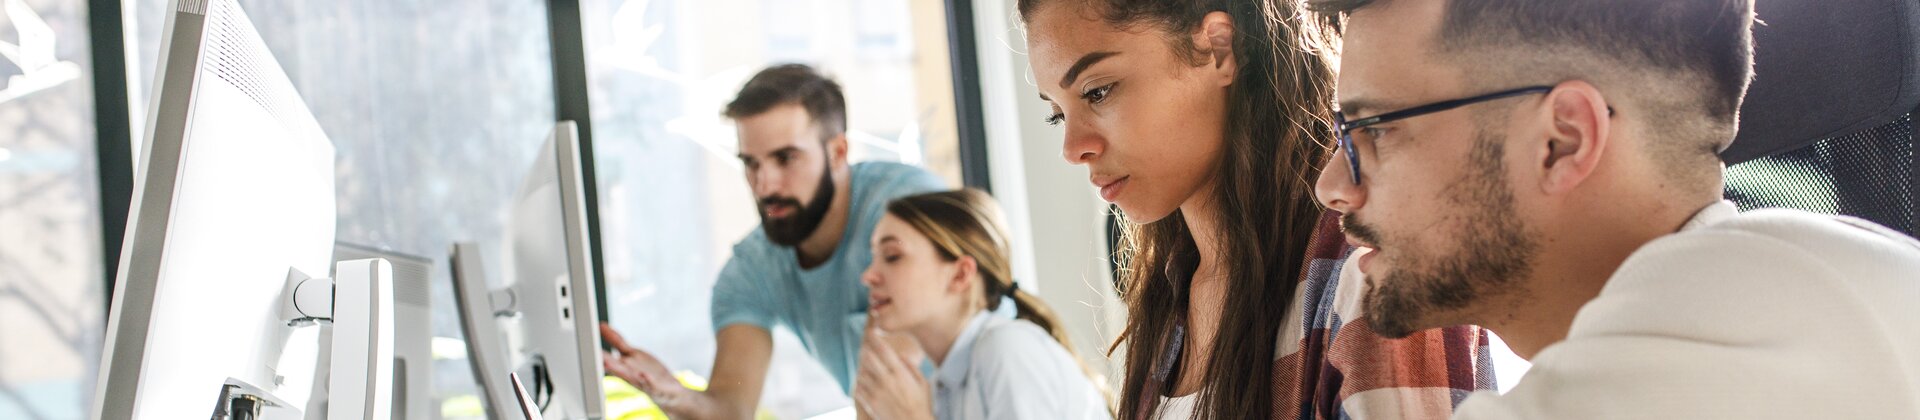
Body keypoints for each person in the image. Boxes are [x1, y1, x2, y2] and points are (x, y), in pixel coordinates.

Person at [1308, 0, 1920, 417]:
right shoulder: (1808, 284)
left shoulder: (1724, 321)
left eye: (1373, 130)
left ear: (1562, 141)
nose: (1331, 185)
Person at [1019, 0, 1492, 418]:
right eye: (1057, 113)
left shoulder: (1366, 270)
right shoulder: (1172, 289)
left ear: (1218, 48)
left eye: (1098, 91)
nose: (1072, 147)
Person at [600, 63, 948, 419]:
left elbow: (886, 391)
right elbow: (731, 410)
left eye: (786, 159)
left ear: (838, 153)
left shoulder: (910, 210)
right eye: (751, 164)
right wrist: (677, 396)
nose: (765, 185)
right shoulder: (752, 270)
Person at [852, 189, 1110, 420]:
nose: (868, 276)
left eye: (892, 256)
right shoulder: (942, 391)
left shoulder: (1008, 349)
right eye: (874, 257)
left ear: (960, 274)